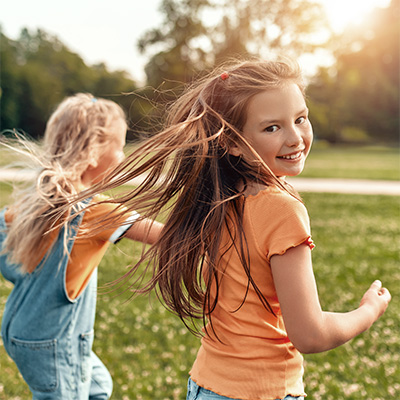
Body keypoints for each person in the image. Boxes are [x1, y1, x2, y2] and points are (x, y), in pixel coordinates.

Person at [70, 59, 391, 400]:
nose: (295, 137)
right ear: (233, 143)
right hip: (261, 391)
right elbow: (310, 335)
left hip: (206, 384)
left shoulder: (218, 195)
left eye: (300, 119)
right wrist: (367, 311)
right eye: (272, 128)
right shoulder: (283, 211)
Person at [0, 93, 163, 400]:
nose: (123, 158)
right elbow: (167, 236)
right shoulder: (94, 210)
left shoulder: (32, 204)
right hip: (55, 342)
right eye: (119, 148)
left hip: (21, 332)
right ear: (93, 152)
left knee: (97, 386)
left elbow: (10, 264)